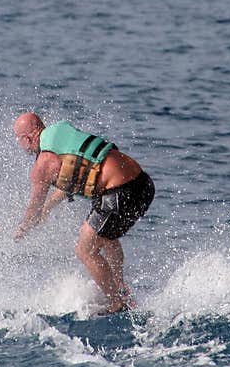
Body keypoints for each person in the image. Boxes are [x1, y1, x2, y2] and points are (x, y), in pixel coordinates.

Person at [13, 112, 155, 314]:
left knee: (85, 249)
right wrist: (48, 210)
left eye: (18, 140)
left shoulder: (43, 163)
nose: (20, 145)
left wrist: (19, 231)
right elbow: (71, 178)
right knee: (104, 235)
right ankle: (120, 287)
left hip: (120, 193)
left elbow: (32, 213)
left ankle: (116, 304)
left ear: (27, 139)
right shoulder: (60, 135)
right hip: (143, 185)